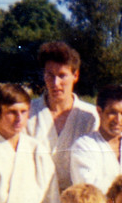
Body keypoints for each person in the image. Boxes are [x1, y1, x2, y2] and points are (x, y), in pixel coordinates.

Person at [27, 41, 98, 191]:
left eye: (62, 76)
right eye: (50, 75)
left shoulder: (91, 116)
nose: (55, 83)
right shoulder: (27, 112)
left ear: (75, 75)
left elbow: (113, 144)